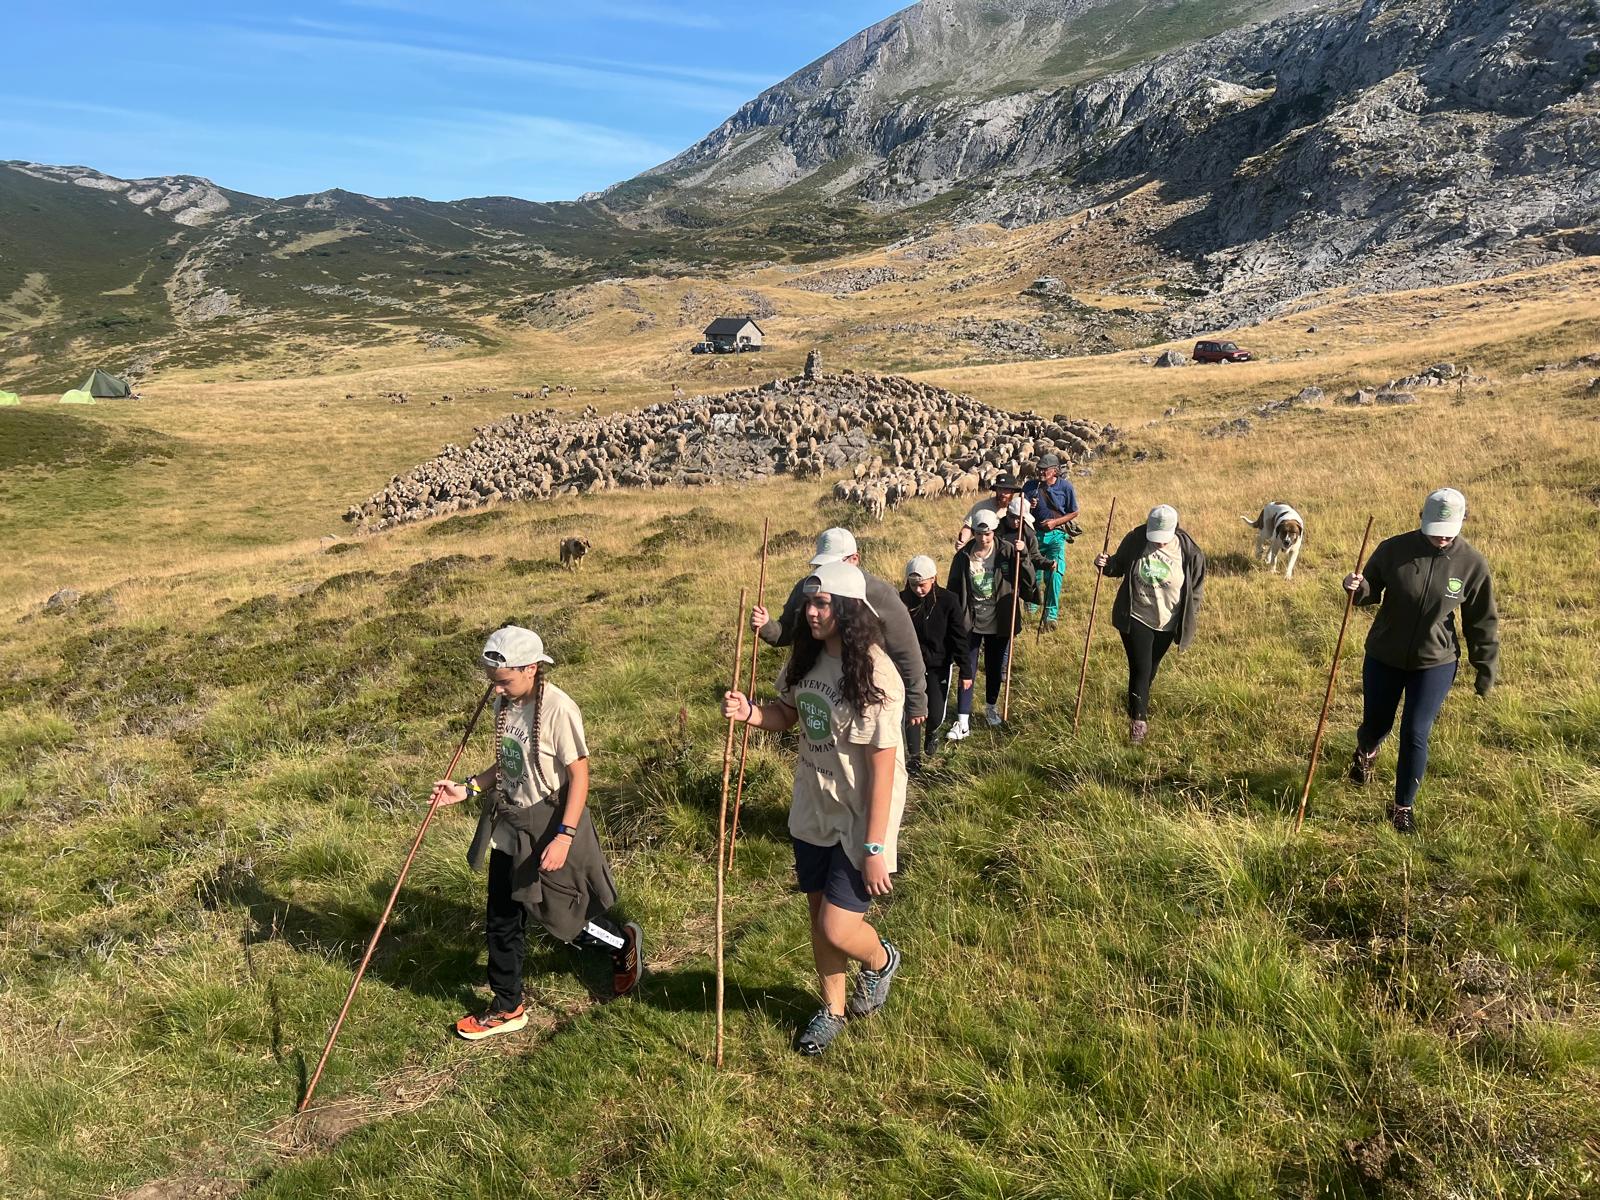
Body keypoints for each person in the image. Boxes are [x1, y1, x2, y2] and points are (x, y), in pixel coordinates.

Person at [722, 560, 907, 1056]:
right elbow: (790, 713)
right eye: (808, 602)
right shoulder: (803, 659)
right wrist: (752, 714)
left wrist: (873, 846)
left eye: (822, 603)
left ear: (847, 609)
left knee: (838, 925)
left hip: (860, 812)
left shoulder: (875, 673)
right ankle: (832, 1010)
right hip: (813, 805)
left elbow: (884, 770)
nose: (810, 611)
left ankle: (881, 960)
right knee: (817, 914)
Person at [431, 625, 643, 1040]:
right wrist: (468, 787)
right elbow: (508, 764)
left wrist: (563, 837)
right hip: (509, 827)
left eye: (503, 681)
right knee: (502, 918)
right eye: (493, 682)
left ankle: (622, 945)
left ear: (530, 669)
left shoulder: (559, 709)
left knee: (561, 919)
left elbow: (579, 777)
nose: (496, 691)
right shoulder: (505, 705)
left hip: (551, 825)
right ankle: (508, 1006)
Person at [1343, 488, 1499, 834]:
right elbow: (1368, 592)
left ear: (1462, 522)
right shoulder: (1393, 549)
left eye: (1448, 529)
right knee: (1377, 724)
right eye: (1434, 528)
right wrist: (1355, 587)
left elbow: (1481, 621)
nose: (1441, 536)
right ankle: (1366, 752)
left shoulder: (1471, 563)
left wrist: (1485, 668)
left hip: (1435, 661)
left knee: (1415, 731)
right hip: (1384, 655)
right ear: (1421, 519)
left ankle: (1402, 807)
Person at [752, 527, 928, 725]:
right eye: (821, 565)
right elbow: (786, 633)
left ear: (854, 559)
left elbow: (907, 651)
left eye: (834, 564)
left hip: (871, 694)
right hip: (822, 691)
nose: (825, 572)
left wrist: (917, 701)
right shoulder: (807, 588)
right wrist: (766, 626)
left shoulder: (880, 594)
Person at [1094, 504, 1207, 744]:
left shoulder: (1190, 552)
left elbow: (1196, 591)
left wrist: (1189, 616)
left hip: (1168, 620)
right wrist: (1106, 564)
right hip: (1136, 615)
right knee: (1141, 668)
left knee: (1151, 669)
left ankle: (1138, 701)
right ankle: (1138, 723)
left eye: (1163, 538)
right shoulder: (1136, 539)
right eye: (1155, 538)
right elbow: (1118, 566)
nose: (1158, 543)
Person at [945, 510, 1038, 735]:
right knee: (967, 668)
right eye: (978, 534)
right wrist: (952, 619)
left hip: (1000, 620)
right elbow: (953, 588)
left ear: (994, 531)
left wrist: (1023, 555)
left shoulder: (1008, 551)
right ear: (974, 532)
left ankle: (991, 708)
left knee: (995, 667)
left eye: (987, 534)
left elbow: (1028, 581)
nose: (983, 539)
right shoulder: (963, 556)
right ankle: (963, 720)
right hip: (971, 621)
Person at [899, 554, 971, 771]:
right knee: (913, 710)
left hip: (939, 665)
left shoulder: (948, 601)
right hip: (911, 666)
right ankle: (913, 757)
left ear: (933, 579)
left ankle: (932, 732)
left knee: (936, 711)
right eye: (913, 585)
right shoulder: (901, 601)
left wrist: (966, 670)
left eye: (921, 585)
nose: (918, 590)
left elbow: (958, 636)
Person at [1023, 454, 1079, 632]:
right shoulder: (1030, 486)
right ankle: (1032, 605)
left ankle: (1050, 614)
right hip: (1033, 535)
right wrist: (1028, 506)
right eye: (1038, 468)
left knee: (1054, 573)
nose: (1039, 472)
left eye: (1044, 469)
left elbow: (1074, 512)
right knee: (1033, 572)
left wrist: (1055, 522)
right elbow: (1019, 509)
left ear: (1054, 471)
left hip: (1056, 535)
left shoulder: (1066, 487)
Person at [955, 473, 1034, 550]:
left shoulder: (1017, 508)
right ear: (996, 490)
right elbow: (969, 526)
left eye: (1006, 490)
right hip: (985, 551)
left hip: (1010, 552)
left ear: (1013, 491)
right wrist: (962, 542)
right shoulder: (981, 507)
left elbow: (1028, 531)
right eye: (1000, 489)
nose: (1002, 493)